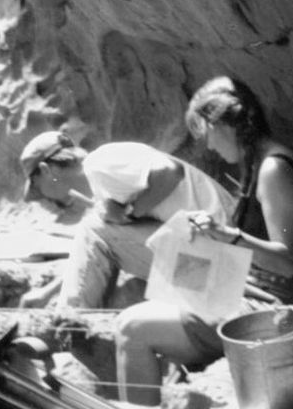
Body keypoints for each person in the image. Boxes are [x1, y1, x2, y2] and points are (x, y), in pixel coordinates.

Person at [114, 76, 293, 404]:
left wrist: (229, 236)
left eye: (207, 132)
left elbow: (288, 261)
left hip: (281, 308)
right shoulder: (256, 163)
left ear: (223, 124)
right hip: (259, 291)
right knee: (166, 290)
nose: (209, 145)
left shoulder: (273, 169)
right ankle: (173, 399)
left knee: (131, 328)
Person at [18, 131, 235, 310]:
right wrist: (47, 293)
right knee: (100, 232)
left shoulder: (99, 163)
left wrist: (128, 213)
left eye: (38, 188)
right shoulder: (104, 186)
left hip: (223, 266)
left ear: (47, 171)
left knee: (94, 227)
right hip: (216, 264)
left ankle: (68, 324)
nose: (44, 198)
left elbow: (170, 172)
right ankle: (71, 323)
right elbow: (89, 255)